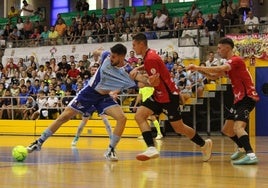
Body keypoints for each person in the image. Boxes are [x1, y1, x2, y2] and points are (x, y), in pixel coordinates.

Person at [26, 44, 136, 161]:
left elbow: (138, 80)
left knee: (122, 118)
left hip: (103, 96)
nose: (111, 58)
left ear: (121, 57)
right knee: (64, 116)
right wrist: (96, 51)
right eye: (111, 55)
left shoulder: (127, 69)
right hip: (89, 93)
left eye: (114, 56)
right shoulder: (106, 57)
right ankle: (39, 142)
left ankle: (111, 150)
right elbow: (98, 52)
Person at [130, 33, 212, 161]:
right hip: (159, 95)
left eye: (134, 45)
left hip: (168, 97)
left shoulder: (150, 58)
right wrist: (139, 68)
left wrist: (137, 78)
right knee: (139, 115)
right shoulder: (150, 54)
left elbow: (154, 82)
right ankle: (151, 148)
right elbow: (155, 66)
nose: (133, 48)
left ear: (141, 44)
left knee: (179, 128)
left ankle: (204, 144)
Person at [187, 37, 259, 165]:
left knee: (238, 127)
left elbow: (219, 69)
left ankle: (251, 155)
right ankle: (242, 148)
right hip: (239, 99)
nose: (218, 51)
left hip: (247, 97)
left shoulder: (235, 60)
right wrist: (198, 70)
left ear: (227, 48)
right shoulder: (230, 64)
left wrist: (198, 66)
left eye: (219, 48)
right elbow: (214, 76)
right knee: (227, 129)